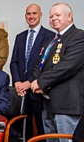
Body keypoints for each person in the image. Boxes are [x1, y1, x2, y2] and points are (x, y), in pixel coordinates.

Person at [31, 3, 84, 142]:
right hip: (48, 104)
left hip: (66, 106)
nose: (53, 18)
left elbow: (66, 67)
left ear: (69, 16)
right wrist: (35, 81)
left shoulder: (79, 36)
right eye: (51, 16)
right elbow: (39, 64)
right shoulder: (51, 40)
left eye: (58, 15)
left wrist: (40, 82)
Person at [10, 4, 55, 140]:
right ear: (25, 16)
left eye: (34, 13)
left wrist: (29, 82)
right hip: (21, 92)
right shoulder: (20, 37)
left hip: (38, 89)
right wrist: (17, 82)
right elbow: (14, 62)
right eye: (28, 14)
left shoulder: (50, 36)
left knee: (41, 128)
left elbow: (48, 65)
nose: (31, 16)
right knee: (23, 127)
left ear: (40, 15)